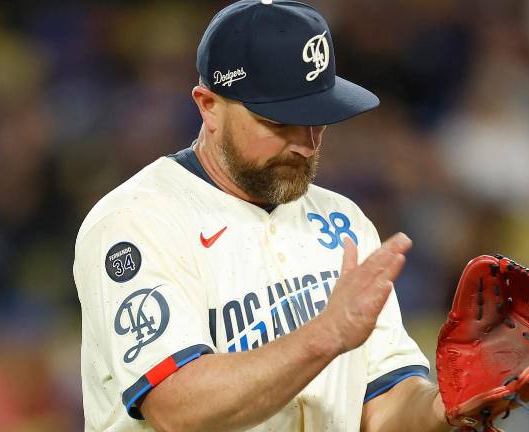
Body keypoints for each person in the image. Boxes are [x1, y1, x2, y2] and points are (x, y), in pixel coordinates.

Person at [74, 1, 452, 430]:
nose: (306, 144)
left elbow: (380, 405)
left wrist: (451, 404)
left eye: (318, 119)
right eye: (280, 121)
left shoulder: (342, 220)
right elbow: (178, 407)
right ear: (208, 105)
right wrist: (325, 335)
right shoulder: (136, 222)